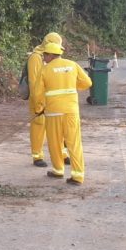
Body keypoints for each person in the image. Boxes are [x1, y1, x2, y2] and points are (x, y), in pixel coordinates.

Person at [30, 41, 92, 184]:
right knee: (74, 142)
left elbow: (37, 93)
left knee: (55, 143)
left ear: (51, 55)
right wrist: (72, 86)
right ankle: (78, 175)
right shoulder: (72, 65)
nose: (44, 58)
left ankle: (58, 170)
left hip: (53, 113)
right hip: (71, 112)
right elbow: (88, 83)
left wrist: (38, 109)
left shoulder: (45, 70)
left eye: (45, 55)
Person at [27, 32, 63, 167]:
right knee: (39, 125)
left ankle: (62, 154)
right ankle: (37, 156)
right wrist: (39, 102)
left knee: (57, 126)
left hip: (52, 98)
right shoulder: (36, 57)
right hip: (38, 98)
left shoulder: (55, 56)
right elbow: (33, 82)